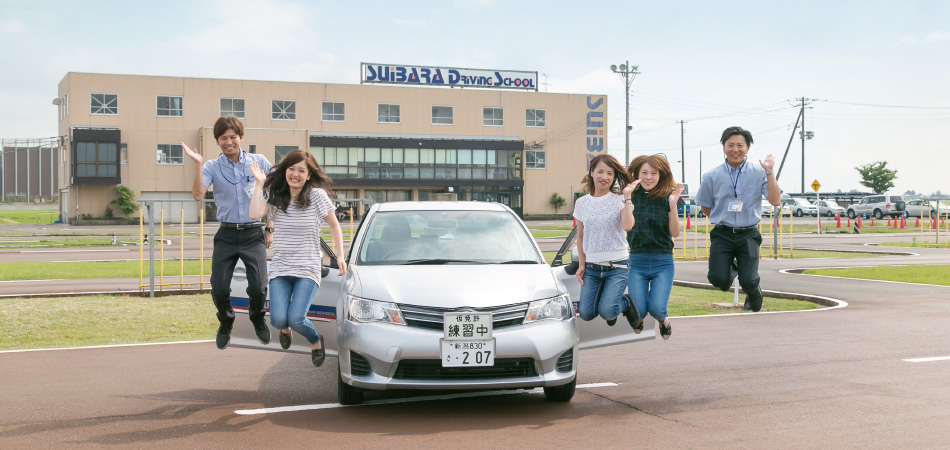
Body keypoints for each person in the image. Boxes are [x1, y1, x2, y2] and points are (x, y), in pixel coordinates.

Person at [248, 150, 346, 367]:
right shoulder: (275, 194)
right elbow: (255, 214)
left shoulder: (317, 196)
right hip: (281, 267)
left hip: (307, 267)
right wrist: (259, 184)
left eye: (301, 170)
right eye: (291, 169)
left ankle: (314, 340)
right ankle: (285, 329)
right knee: (277, 319)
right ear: (285, 171)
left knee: (296, 318)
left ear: (309, 175)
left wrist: (340, 254)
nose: (295, 174)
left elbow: (334, 225)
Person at [183, 115, 273, 350]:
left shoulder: (259, 161)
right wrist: (198, 164)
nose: (228, 141)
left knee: (258, 286)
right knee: (220, 287)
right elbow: (197, 195)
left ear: (241, 138)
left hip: (254, 234)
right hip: (227, 234)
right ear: (217, 141)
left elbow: (276, 195)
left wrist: (269, 226)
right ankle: (226, 321)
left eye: (233, 136)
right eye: (223, 138)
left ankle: (256, 317)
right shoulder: (212, 166)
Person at [695, 126, 780, 312]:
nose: (735, 149)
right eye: (730, 145)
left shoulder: (759, 173)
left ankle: (754, 291)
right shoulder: (711, 175)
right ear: (723, 147)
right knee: (719, 280)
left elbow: (775, 200)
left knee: (748, 281)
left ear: (747, 148)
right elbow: (705, 206)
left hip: (748, 233)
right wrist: (723, 218)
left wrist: (770, 172)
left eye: (740, 145)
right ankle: (734, 265)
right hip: (722, 234)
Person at [573, 154, 641, 330]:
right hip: (592, 267)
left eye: (609, 173)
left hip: (617, 265)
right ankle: (610, 302)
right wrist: (581, 264)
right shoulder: (581, 203)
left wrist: (627, 197)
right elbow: (580, 236)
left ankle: (624, 303)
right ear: (592, 173)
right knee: (586, 313)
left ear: (614, 177)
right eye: (600, 172)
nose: (604, 177)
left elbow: (627, 226)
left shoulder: (620, 200)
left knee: (608, 312)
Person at [625, 154, 684, 339]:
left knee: (658, 309)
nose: (648, 177)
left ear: (661, 175)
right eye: (644, 172)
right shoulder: (629, 196)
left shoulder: (669, 197)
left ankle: (663, 320)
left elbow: (675, 233)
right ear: (636, 173)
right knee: (640, 311)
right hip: (636, 261)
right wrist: (626, 198)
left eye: (654, 173)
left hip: (663, 262)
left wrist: (673, 206)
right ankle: (641, 318)